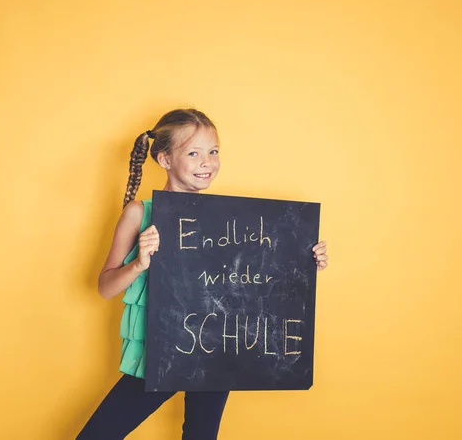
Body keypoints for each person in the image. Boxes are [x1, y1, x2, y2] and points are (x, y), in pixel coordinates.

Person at [76, 108, 329, 439]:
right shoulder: (140, 213)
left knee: (201, 435)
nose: (206, 162)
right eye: (193, 153)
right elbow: (104, 287)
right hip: (161, 349)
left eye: (213, 152)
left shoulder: (231, 220)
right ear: (165, 160)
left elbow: (257, 283)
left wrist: (303, 262)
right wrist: (138, 263)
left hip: (217, 345)